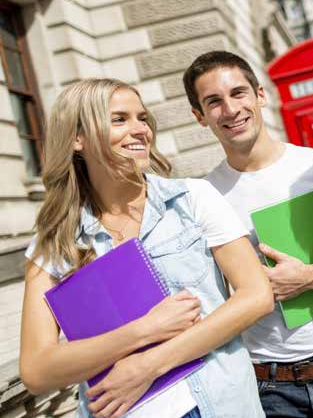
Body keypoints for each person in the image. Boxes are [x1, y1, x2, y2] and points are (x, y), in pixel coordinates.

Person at [19, 79, 272, 418]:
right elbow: (37, 371)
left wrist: (149, 364)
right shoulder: (55, 240)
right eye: (119, 119)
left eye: (142, 118)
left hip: (219, 404)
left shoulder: (193, 199)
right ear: (77, 138)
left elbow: (256, 296)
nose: (140, 130)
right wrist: (144, 331)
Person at [182, 51, 313, 418]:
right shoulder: (202, 197)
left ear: (260, 95)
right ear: (200, 116)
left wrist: (308, 278)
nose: (230, 109)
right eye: (213, 102)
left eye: (239, 93)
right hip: (270, 386)